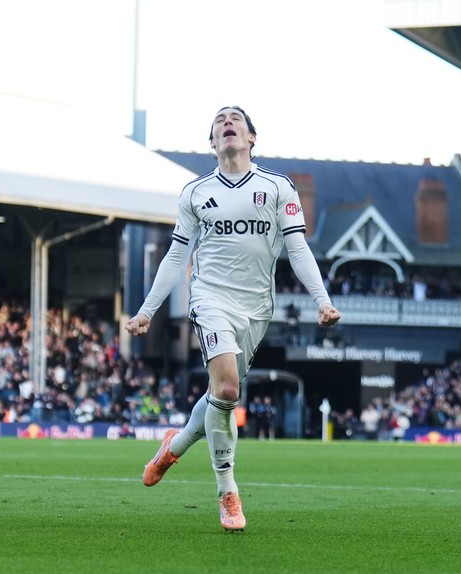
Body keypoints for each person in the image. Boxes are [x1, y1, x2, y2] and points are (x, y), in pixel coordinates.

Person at [126, 106, 340, 531]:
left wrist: (322, 300)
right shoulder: (195, 193)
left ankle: (175, 444)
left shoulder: (278, 187)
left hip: (257, 306)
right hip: (209, 297)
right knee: (226, 387)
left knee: (221, 396)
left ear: (251, 137)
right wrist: (147, 310)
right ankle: (227, 491)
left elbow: (297, 249)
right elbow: (176, 255)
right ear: (212, 143)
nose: (227, 123)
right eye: (220, 121)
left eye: (235, 119)